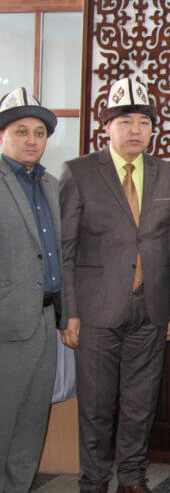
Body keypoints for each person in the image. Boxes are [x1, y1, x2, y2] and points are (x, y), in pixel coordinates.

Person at [59, 78, 170, 493]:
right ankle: (94, 480)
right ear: (106, 126)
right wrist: (70, 311)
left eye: (143, 122)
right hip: (95, 309)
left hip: (151, 307)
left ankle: (132, 478)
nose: (135, 130)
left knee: (141, 403)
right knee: (96, 405)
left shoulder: (167, 174)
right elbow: (66, 248)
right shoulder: (78, 172)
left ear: (152, 130)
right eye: (125, 121)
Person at [0, 88, 60, 492]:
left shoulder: (49, 184)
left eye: (39, 133)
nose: (32, 140)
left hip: (45, 319)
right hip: (6, 324)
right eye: (21, 131)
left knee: (31, 422)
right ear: (2, 135)